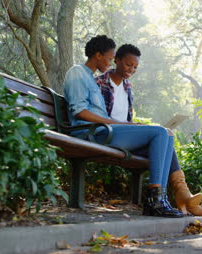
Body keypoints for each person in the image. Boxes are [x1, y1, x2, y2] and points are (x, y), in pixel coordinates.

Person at [62, 35, 182, 218]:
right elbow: (80, 112)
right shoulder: (77, 72)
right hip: (91, 133)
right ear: (98, 55)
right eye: (110, 59)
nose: (110, 63)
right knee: (158, 132)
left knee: (167, 135)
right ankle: (154, 201)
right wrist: (119, 123)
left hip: (104, 131)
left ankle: (160, 199)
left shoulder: (91, 78)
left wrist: (127, 124)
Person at [96, 44, 202, 216]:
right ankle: (162, 200)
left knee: (167, 138)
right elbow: (99, 116)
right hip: (108, 133)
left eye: (135, 67)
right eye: (128, 65)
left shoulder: (127, 87)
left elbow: (127, 118)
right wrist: (132, 127)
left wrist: (134, 126)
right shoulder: (100, 83)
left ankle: (165, 199)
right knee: (160, 133)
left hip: (124, 135)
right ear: (117, 60)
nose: (132, 69)